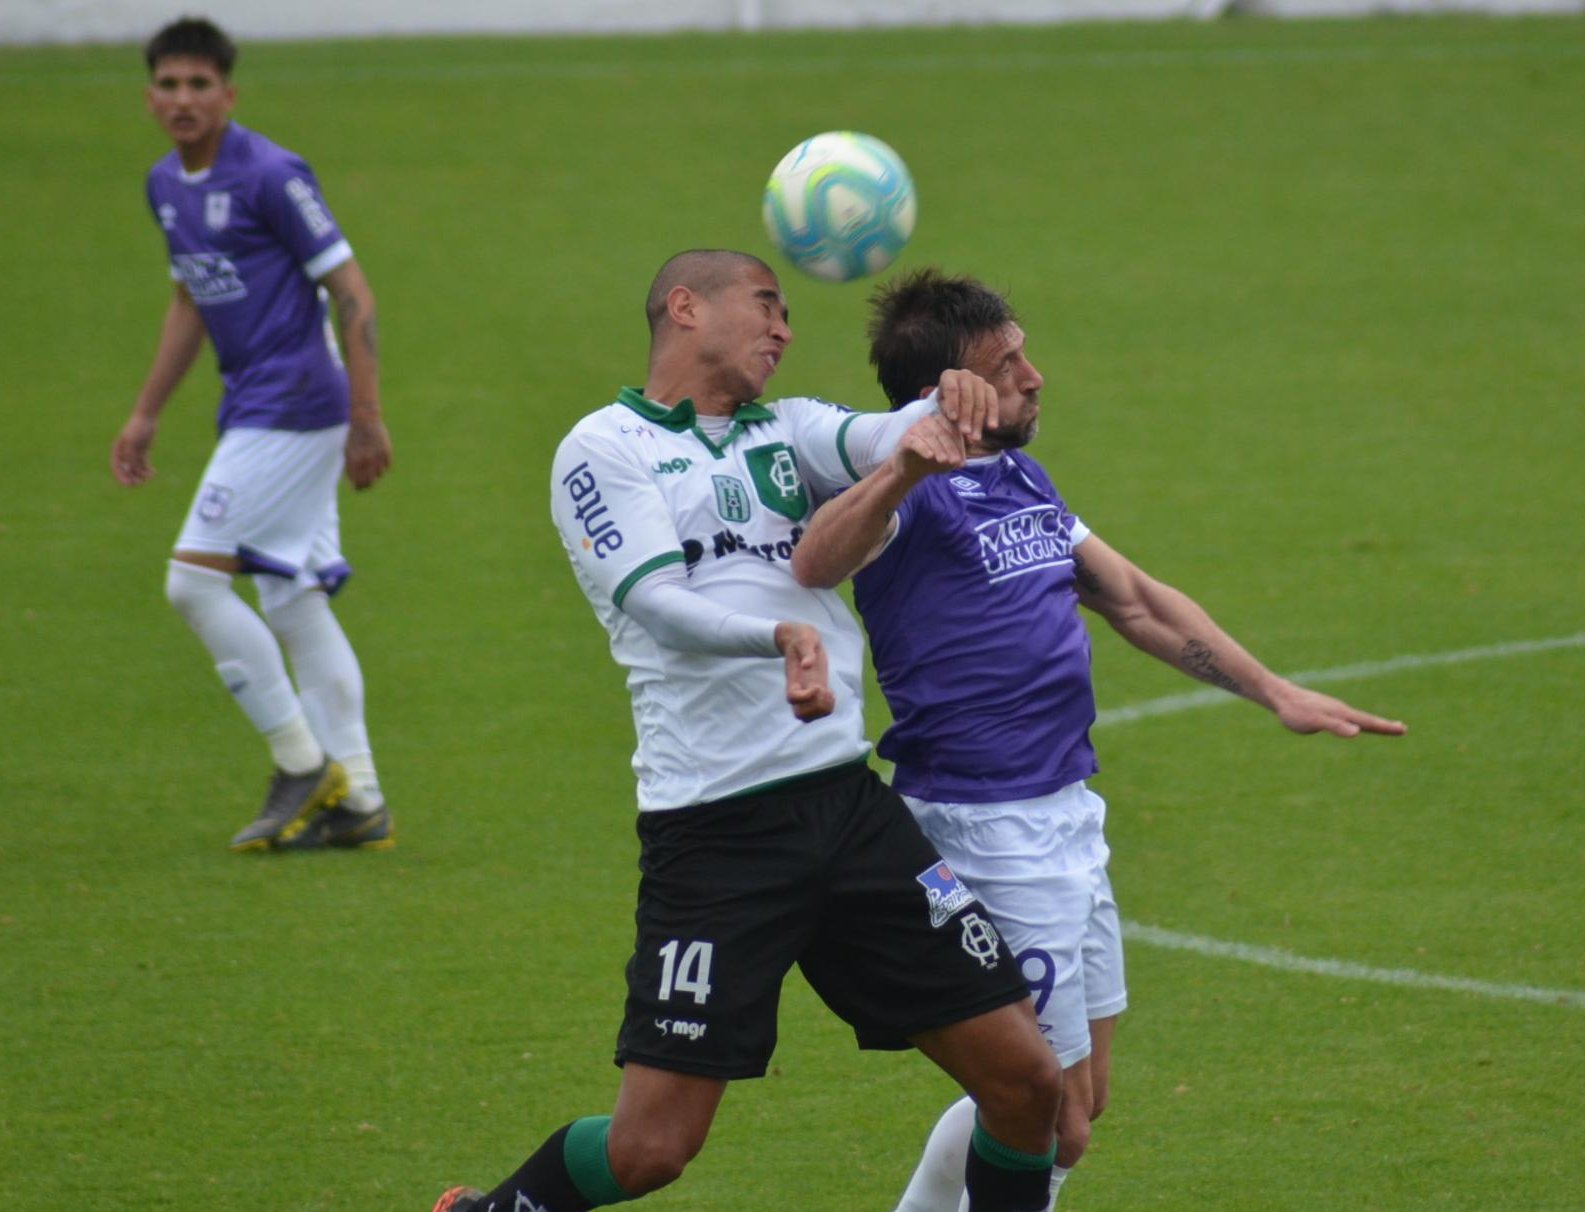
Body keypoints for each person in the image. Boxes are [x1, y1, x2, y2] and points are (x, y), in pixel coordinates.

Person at [430, 250, 1066, 1212]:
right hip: (718, 833)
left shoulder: (790, 430)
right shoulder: (604, 449)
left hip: (849, 813)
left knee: (1029, 1087)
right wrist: (778, 636)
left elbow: (885, 432)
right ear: (686, 308)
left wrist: (951, 397)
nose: (783, 329)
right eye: (766, 306)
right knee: (651, 1150)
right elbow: (658, 604)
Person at [789, 268, 1408, 1211]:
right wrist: (900, 469)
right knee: (1048, 1114)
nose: (1034, 377)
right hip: (987, 824)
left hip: (1068, 812)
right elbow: (817, 559)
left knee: (1079, 1100)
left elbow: (1132, 599)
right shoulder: (908, 493)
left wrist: (1271, 690)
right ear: (946, 389)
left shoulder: (1020, 476)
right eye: (1006, 365)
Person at [111, 17, 394, 852]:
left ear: (229, 95)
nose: (184, 99)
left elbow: (355, 293)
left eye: (201, 85)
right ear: (150, 96)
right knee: (290, 596)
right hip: (254, 402)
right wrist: (146, 410)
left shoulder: (271, 174)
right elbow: (190, 298)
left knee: (191, 584)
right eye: (169, 85)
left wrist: (367, 416)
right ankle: (360, 803)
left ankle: (301, 762)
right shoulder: (166, 185)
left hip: (298, 401)